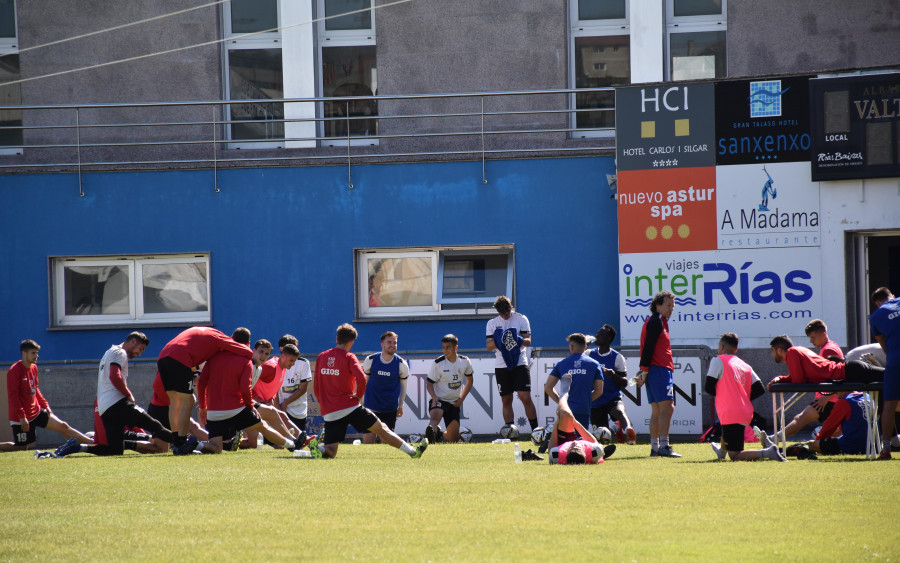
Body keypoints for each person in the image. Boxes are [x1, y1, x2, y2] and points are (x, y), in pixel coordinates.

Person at [312, 323, 427, 459]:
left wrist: (324, 404)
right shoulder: (349, 357)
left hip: (330, 410)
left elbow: (316, 385)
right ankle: (413, 452)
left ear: (337, 339)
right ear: (352, 341)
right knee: (383, 429)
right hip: (349, 406)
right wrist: (358, 397)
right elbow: (361, 379)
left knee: (330, 450)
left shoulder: (321, 357)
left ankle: (317, 447)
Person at [55, 332, 179, 457]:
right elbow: (115, 376)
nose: (139, 354)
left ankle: (79, 447)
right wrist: (128, 394)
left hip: (105, 408)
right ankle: (187, 444)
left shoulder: (109, 352)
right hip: (118, 403)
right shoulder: (120, 352)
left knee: (114, 449)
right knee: (155, 426)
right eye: (140, 349)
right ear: (133, 341)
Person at [157, 327, 253, 454]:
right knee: (189, 400)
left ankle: (176, 441)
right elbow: (246, 351)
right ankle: (181, 442)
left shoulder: (206, 331)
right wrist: (250, 360)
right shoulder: (221, 338)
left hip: (163, 357)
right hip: (180, 358)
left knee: (174, 401)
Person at [196, 348, 298, 454]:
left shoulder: (255, 366)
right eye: (261, 352)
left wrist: (203, 404)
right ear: (252, 350)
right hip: (237, 407)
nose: (263, 356)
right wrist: (251, 406)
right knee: (268, 419)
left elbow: (202, 382)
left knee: (219, 447)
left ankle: (196, 445)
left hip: (217, 410)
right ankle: (293, 443)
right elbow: (245, 389)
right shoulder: (249, 363)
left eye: (266, 354)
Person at [705, 332, 785, 462]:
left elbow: (708, 388)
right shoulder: (744, 364)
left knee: (735, 455)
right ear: (736, 349)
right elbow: (759, 388)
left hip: (731, 412)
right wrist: (741, 398)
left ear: (722, 347)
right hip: (745, 411)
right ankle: (721, 451)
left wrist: (728, 397)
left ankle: (767, 452)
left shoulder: (717, 360)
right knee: (729, 434)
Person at [1, 340, 91, 452]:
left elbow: (35, 389)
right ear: (24, 353)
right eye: (33, 353)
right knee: (21, 447)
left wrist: (45, 405)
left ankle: (93, 444)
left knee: (63, 426)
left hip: (36, 412)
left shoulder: (34, 367)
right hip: (20, 418)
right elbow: (14, 397)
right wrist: (22, 417)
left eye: (37, 353)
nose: (37, 356)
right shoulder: (14, 371)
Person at [776, 320, 847, 441]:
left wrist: (826, 397)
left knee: (800, 419)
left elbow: (836, 376)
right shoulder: (830, 346)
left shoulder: (829, 349)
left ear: (823, 333)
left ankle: (774, 439)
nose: (811, 341)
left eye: (813, 337)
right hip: (829, 398)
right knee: (833, 429)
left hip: (828, 399)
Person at [635, 291, 680, 457]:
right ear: (657, 306)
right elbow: (648, 347)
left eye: (673, 306)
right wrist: (644, 370)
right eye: (668, 306)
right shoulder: (656, 322)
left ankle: (655, 448)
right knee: (667, 408)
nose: (671, 309)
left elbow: (648, 348)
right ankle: (664, 446)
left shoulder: (658, 321)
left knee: (657, 410)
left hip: (654, 369)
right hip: (659, 369)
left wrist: (644, 370)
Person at [486, 295, 538, 434]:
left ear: (511, 308)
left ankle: (536, 432)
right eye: (502, 314)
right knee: (506, 399)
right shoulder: (491, 323)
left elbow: (528, 341)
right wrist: (500, 340)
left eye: (507, 313)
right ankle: (510, 432)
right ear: (498, 312)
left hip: (520, 362)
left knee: (525, 397)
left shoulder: (521, 319)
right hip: (501, 365)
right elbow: (489, 347)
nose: (505, 316)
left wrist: (516, 339)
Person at [778, 392, 874, 458]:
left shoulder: (844, 402)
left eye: (836, 391)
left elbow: (829, 427)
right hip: (873, 446)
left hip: (852, 446)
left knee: (810, 444)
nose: (836, 395)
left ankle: (788, 451)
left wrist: (819, 441)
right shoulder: (868, 397)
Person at [544, 334, 604, 430]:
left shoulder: (561, 363)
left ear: (571, 346)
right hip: (583, 409)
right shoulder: (595, 364)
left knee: (564, 441)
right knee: (579, 440)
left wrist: (562, 402)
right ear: (585, 347)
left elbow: (548, 388)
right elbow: (599, 391)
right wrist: (586, 400)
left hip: (565, 409)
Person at [588, 324, 636, 445]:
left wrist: (613, 375)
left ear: (609, 338)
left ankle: (629, 432)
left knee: (619, 412)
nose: (597, 336)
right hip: (595, 400)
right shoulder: (589, 354)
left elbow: (624, 383)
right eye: (597, 333)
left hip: (612, 397)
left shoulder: (617, 357)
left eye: (600, 334)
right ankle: (616, 428)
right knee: (601, 437)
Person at [362, 331, 410, 444]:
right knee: (368, 443)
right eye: (389, 342)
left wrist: (401, 406)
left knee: (386, 445)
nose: (392, 345)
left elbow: (404, 388)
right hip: (370, 407)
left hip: (389, 409)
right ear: (382, 344)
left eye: (395, 342)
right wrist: (361, 401)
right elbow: (364, 383)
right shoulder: (371, 360)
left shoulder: (401, 364)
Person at [869, 287, 900, 459]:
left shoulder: (875, 317)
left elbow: (884, 345)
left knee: (889, 405)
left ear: (877, 303)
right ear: (892, 296)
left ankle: (886, 448)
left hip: (895, 359)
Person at [425, 334, 474, 443]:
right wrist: (434, 397)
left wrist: (461, 399)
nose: (445, 350)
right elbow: (429, 383)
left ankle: (438, 434)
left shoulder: (465, 361)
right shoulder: (438, 363)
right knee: (434, 419)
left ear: (455, 347)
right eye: (443, 347)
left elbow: (470, 381)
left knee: (453, 439)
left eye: (448, 347)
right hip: (440, 400)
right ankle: (431, 432)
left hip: (454, 403)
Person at [145, 371, 209, 454]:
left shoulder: (183, 366)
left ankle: (216, 444)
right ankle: (218, 444)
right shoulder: (173, 365)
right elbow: (158, 386)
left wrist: (201, 404)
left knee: (193, 428)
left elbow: (197, 381)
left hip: (162, 407)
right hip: (161, 408)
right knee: (160, 449)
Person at [548, 393, 615, 464]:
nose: (574, 444)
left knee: (565, 413)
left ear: (567, 453)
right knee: (568, 415)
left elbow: (551, 450)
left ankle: (563, 394)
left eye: (571, 448)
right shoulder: (592, 453)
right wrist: (575, 423)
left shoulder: (560, 455)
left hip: (564, 442)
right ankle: (603, 454)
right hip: (586, 443)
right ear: (585, 454)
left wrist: (556, 423)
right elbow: (594, 442)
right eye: (577, 449)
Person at [276, 335, 314, 433]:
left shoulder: (304, 363)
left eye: (294, 348)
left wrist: (285, 403)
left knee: (297, 439)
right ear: (281, 349)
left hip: (298, 409)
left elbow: (303, 389)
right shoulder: (275, 363)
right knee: (281, 440)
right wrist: (278, 407)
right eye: (288, 348)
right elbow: (272, 390)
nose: (292, 351)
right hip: (280, 407)